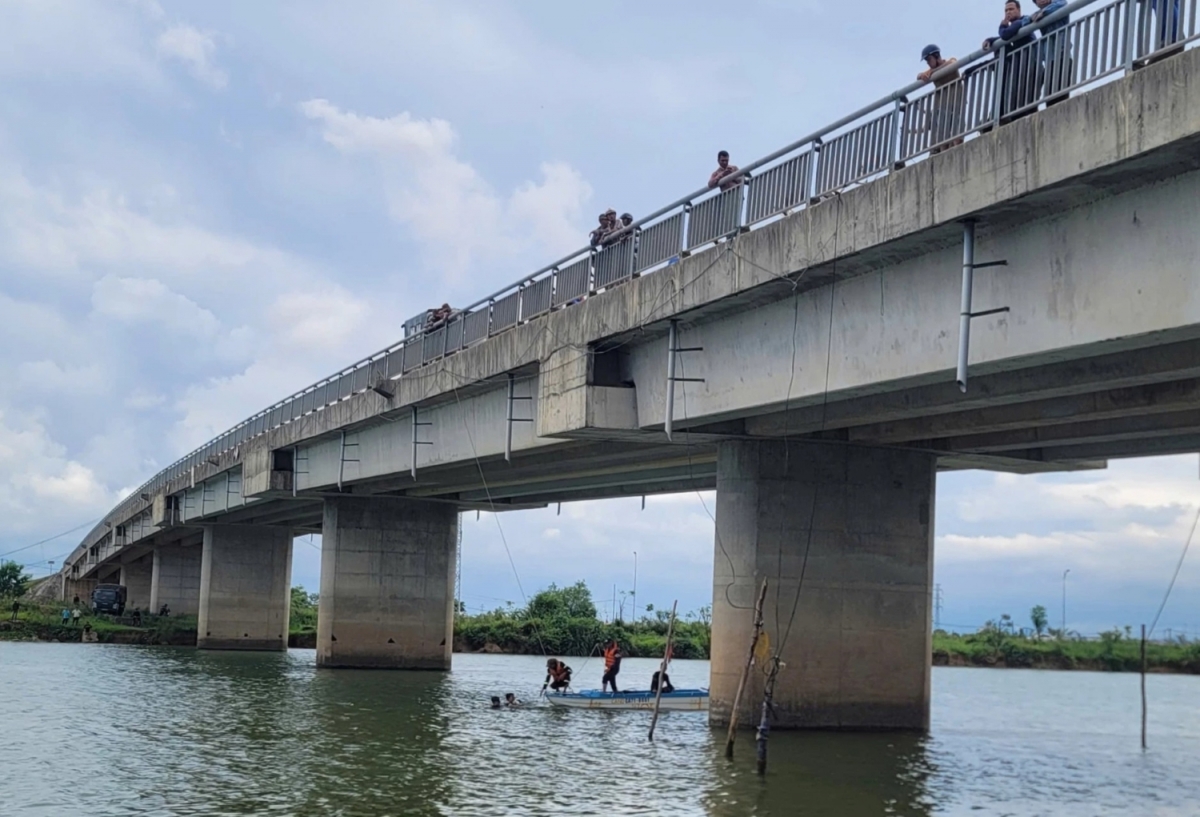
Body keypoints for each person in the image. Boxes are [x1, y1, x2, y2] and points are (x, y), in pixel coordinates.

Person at [984, 0, 1038, 124]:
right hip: (1022, 69)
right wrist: (991, 39)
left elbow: (1006, 35)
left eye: (1011, 9)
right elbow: (1007, 36)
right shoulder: (1016, 26)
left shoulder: (1022, 21)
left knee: (1026, 103)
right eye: (1006, 10)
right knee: (1020, 104)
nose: (1008, 12)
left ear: (1019, 10)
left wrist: (1002, 25)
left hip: (1030, 67)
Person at [916, 45, 963, 154]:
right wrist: (921, 75)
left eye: (929, 59)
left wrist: (932, 72)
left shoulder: (950, 63)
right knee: (942, 141)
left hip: (956, 106)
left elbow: (953, 62)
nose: (928, 63)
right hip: (941, 109)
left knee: (957, 138)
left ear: (936, 56)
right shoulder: (931, 71)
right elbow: (918, 76)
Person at [1031, 0, 1071, 105]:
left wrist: (1044, 13)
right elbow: (1025, 22)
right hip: (1050, 59)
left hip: (1063, 55)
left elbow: (1063, 3)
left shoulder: (1058, 5)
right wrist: (1033, 17)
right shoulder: (1036, 15)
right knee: (1049, 98)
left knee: (1062, 94)